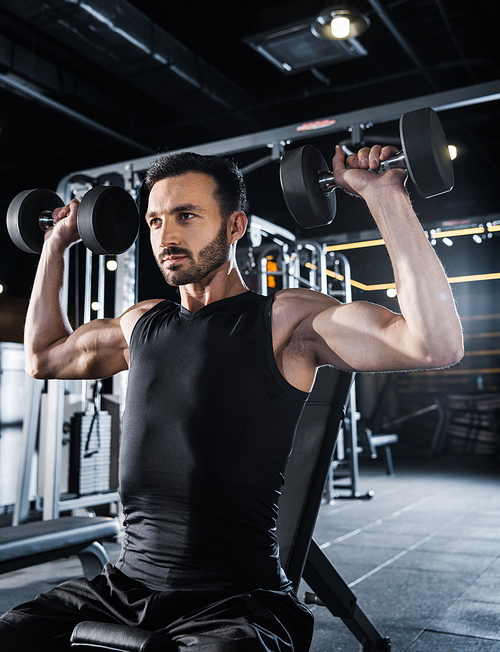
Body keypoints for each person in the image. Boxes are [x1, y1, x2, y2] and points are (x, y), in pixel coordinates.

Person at [0, 144, 463, 651]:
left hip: (236, 600)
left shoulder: (284, 323)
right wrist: (54, 245)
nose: (166, 236)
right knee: (15, 632)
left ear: (235, 225)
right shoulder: (141, 323)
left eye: (186, 216)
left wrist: (384, 195)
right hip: (124, 587)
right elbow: (43, 357)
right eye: (155, 221)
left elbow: (432, 344)